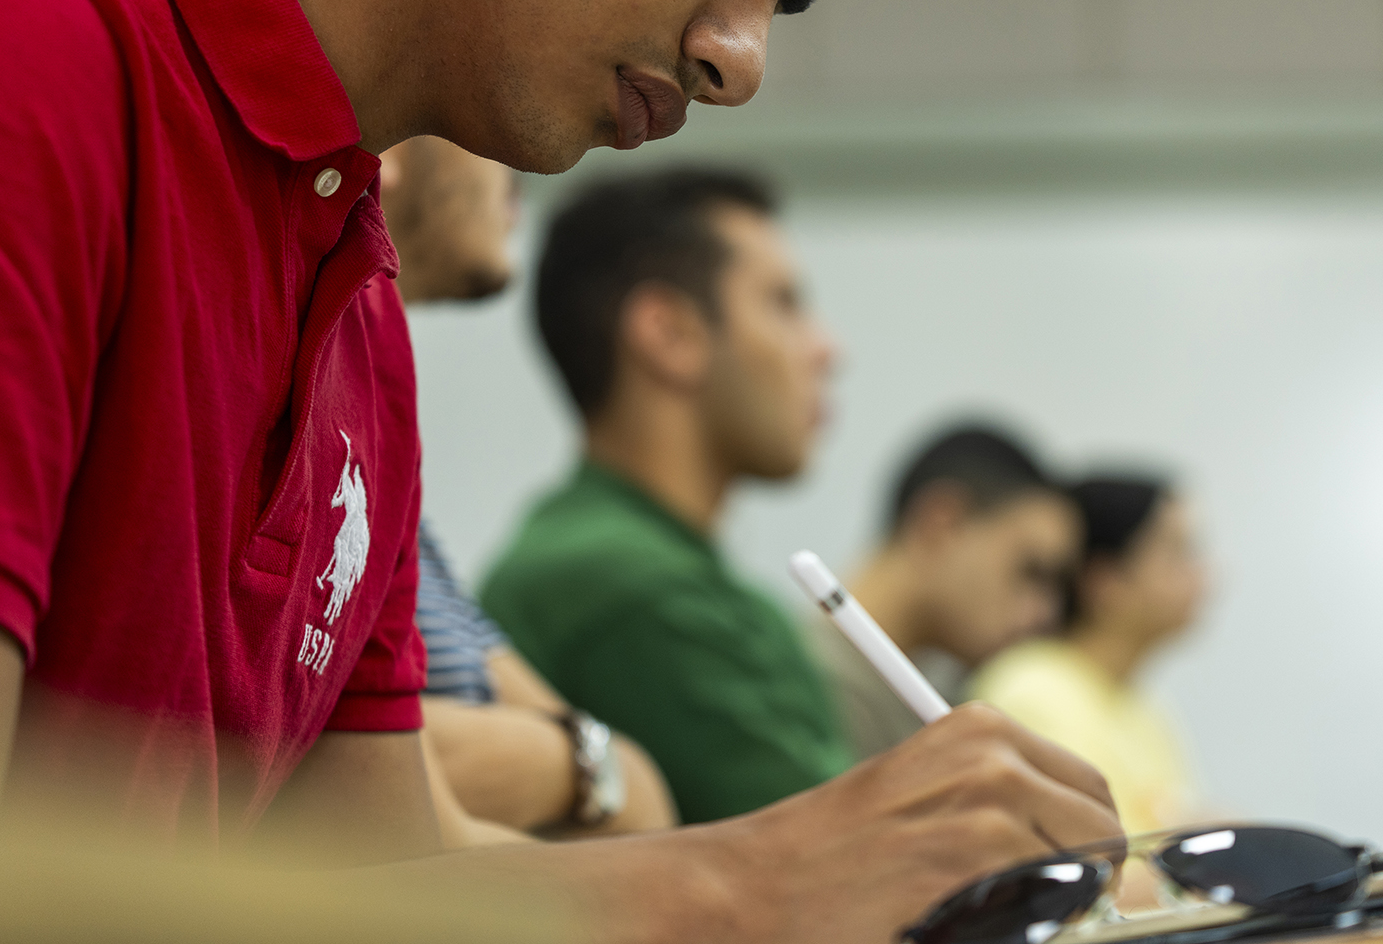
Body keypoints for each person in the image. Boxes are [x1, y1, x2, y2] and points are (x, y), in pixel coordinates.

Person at [0, 0, 1123, 936]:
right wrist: (738, 882)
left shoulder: (356, 317)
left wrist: (805, 868)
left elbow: (386, 896)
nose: (740, 59)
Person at [482, 167, 851, 824]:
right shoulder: (636, 589)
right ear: (670, 334)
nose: (828, 348)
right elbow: (863, 866)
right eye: (784, 303)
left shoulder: (603, 554)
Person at [379, 136, 675, 842]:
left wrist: (583, 764)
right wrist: (587, 765)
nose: (523, 159)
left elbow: (631, 789)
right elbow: (340, 782)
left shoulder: (385, 462)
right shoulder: (289, 428)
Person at [811, 424, 1083, 761]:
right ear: (942, 523)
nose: (1045, 612)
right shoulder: (802, 680)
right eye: (1031, 572)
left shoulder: (942, 701)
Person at [971, 473, 1210, 836]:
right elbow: (1084, 875)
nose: (1204, 575)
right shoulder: (1033, 689)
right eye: (1177, 553)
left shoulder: (1147, 712)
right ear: (1105, 580)